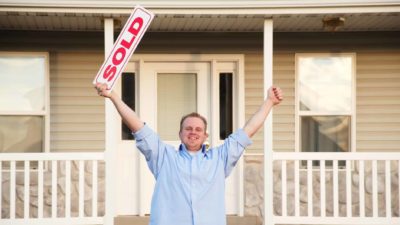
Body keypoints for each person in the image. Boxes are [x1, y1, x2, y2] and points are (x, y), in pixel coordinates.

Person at [95, 83, 283, 225]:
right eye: (188, 128)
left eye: (198, 129)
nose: (193, 132)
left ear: (205, 135)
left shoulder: (220, 158)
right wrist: (113, 96)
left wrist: (269, 102)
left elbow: (248, 130)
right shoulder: (164, 157)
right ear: (180, 133)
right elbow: (137, 126)